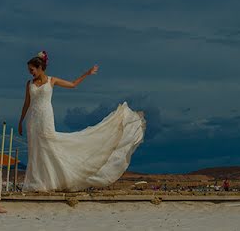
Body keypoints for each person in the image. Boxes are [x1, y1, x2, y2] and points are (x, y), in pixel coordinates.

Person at [18, 50, 146, 191]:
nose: (31, 73)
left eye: (32, 70)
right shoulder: (29, 83)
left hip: (45, 117)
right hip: (32, 120)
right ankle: (38, 182)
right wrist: (20, 121)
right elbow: (26, 103)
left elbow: (73, 85)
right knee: (35, 149)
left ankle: (55, 179)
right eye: (29, 70)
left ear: (40, 67)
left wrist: (87, 73)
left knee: (49, 144)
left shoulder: (52, 80)